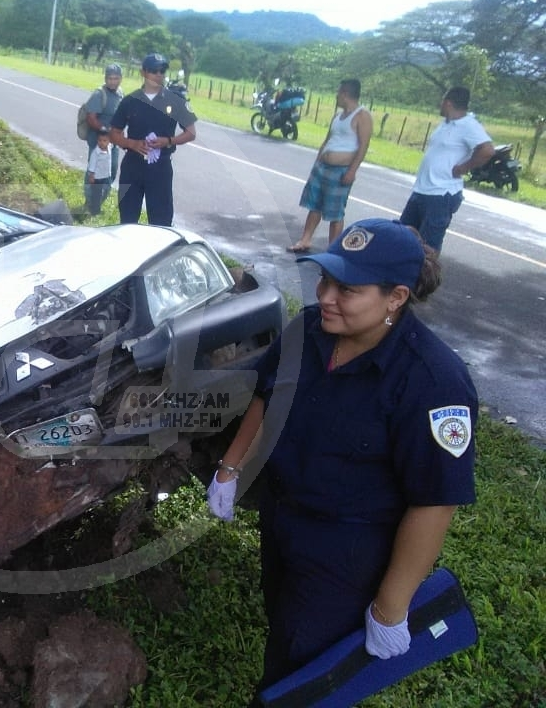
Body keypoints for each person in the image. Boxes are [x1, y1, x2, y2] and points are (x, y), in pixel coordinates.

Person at [207, 218, 477, 703]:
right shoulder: (309, 328)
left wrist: (391, 608)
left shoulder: (433, 382)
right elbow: (267, 396)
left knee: (300, 674)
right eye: (325, 279)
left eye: (347, 289)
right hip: (283, 514)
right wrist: (230, 469)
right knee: (283, 624)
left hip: (347, 549)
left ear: (395, 297)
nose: (326, 295)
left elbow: (434, 503)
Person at [399, 86, 494, 256]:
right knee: (402, 235)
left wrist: (463, 168)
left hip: (442, 193)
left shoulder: (468, 125)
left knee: (428, 245)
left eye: (442, 101)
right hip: (422, 189)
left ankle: (426, 280)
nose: (440, 104)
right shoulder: (446, 124)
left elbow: (487, 150)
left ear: (448, 103)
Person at [109, 53, 197, 226]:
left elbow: (191, 132)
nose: (158, 75)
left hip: (160, 168)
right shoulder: (130, 101)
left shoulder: (175, 100)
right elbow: (114, 133)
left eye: (162, 70)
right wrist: (131, 143)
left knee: (161, 222)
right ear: (143, 72)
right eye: (153, 71)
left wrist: (169, 140)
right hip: (132, 166)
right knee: (127, 219)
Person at [287, 79, 372, 253]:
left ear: (346, 94)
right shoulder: (337, 116)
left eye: (338, 92)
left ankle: (333, 249)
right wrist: (318, 161)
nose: (336, 96)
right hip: (323, 167)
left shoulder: (362, 116)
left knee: (335, 211)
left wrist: (352, 171)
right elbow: (328, 140)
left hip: (341, 170)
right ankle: (305, 239)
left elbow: (363, 146)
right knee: (315, 204)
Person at [83, 63, 124, 209]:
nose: (113, 81)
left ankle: (98, 202)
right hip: (98, 142)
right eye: (110, 78)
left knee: (110, 172)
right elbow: (91, 118)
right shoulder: (99, 94)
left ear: (121, 79)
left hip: (113, 143)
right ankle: (89, 203)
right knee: (94, 173)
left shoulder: (120, 93)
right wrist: (105, 129)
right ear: (106, 78)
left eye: (116, 78)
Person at [85, 129, 113, 216]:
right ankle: (94, 211)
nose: (102, 143)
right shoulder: (96, 153)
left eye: (104, 141)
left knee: (105, 191)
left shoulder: (109, 148)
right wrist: (91, 176)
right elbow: (92, 165)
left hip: (105, 175)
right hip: (97, 178)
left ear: (109, 141)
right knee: (96, 195)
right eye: (100, 140)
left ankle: (97, 207)